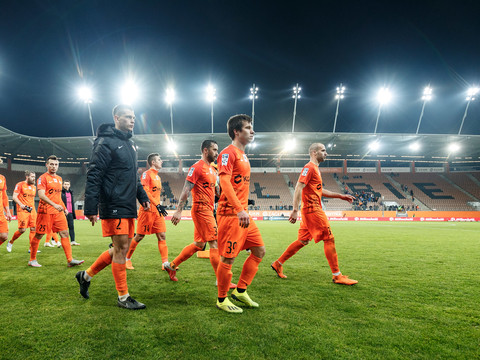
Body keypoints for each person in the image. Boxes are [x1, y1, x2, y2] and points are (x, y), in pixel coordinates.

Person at [76, 104, 150, 310]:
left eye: (134, 117)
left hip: (128, 203)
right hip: (113, 202)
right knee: (121, 250)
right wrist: (91, 207)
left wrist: (142, 195)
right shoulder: (104, 142)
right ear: (116, 118)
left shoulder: (129, 144)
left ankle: (85, 276)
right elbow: (94, 174)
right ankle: (123, 297)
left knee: (122, 248)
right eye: (128, 117)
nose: (133, 120)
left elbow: (132, 175)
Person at [271, 143, 358, 285]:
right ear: (314, 152)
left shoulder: (315, 169)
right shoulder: (309, 168)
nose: (326, 153)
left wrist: (340, 196)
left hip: (309, 211)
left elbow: (319, 190)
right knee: (329, 239)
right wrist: (294, 210)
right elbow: (299, 186)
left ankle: (278, 263)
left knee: (303, 240)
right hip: (313, 210)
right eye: (323, 150)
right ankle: (337, 275)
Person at [166, 140, 235, 289]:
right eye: (214, 150)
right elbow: (186, 189)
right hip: (201, 209)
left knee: (198, 245)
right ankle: (221, 281)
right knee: (214, 243)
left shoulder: (212, 169)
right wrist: (178, 210)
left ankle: (171, 266)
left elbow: (216, 190)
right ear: (205, 150)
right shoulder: (197, 167)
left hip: (208, 209)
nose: (217, 153)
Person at [215, 114, 265, 314]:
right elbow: (225, 182)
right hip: (231, 214)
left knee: (259, 250)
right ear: (236, 131)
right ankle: (221, 299)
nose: (252, 131)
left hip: (242, 213)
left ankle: (241, 291)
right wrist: (239, 209)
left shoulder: (243, 155)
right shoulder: (228, 153)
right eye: (248, 127)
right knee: (228, 259)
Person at [28, 155, 84, 268]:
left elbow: (58, 197)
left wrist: (64, 208)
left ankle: (70, 260)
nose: (54, 166)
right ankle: (32, 259)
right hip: (45, 212)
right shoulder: (42, 178)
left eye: (56, 164)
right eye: (51, 164)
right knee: (39, 234)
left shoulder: (59, 179)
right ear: (47, 165)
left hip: (58, 212)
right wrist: (54, 205)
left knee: (65, 233)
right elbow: (41, 195)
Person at [125, 153, 170, 275]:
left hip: (157, 211)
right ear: (153, 162)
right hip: (147, 210)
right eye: (159, 160)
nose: (162, 161)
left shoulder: (158, 177)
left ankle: (165, 263)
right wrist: (157, 204)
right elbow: (144, 192)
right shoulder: (146, 174)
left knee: (162, 236)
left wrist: (158, 205)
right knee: (139, 236)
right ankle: (126, 259)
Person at [6, 170, 36, 253]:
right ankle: (11, 242)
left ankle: (31, 248)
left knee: (33, 228)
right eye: (32, 177)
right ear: (27, 176)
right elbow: (14, 197)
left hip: (32, 210)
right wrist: (21, 204)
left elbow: (32, 199)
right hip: (22, 210)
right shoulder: (20, 184)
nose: (34, 178)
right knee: (22, 230)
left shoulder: (34, 187)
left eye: (34, 177)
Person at [61, 180, 79, 246]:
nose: (66, 185)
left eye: (68, 184)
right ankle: (54, 240)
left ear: (70, 185)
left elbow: (72, 203)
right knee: (61, 227)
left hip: (70, 213)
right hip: (64, 213)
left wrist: (73, 214)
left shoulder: (71, 193)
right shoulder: (61, 193)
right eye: (65, 184)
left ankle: (73, 241)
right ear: (63, 185)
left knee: (71, 227)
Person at [0, 158, 13, 248]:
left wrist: (8, 211)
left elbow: (4, 196)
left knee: (4, 236)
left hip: (1, 213)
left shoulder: (2, 178)